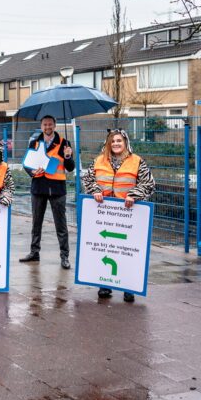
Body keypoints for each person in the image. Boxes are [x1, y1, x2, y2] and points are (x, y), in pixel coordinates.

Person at [82, 129, 155, 303]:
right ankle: (104, 285)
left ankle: (128, 286)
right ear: (108, 143)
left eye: (119, 141)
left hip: (128, 215)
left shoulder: (137, 161)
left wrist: (134, 194)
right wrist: (96, 191)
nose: (115, 143)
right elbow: (87, 180)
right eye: (113, 141)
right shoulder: (99, 160)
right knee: (106, 249)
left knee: (126, 251)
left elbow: (149, 183)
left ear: (125, 142)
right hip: (104, 214)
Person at [19, 116, 76, 269]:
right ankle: (34, 252)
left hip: (57, 189)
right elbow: (26, 164)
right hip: (38, 187)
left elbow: (70, 167)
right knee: (36, 223)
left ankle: (65, 256)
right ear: (41, 126)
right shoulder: (35, 142)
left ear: (55, 125)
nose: (47, 127)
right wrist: (32, 171)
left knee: (61, 226)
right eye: (45, 124)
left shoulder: (65, 143)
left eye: (50, 124)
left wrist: (68, 156)